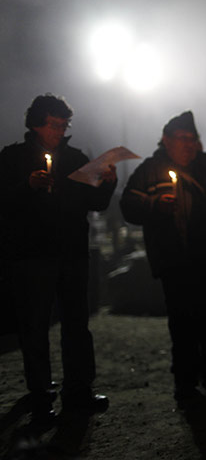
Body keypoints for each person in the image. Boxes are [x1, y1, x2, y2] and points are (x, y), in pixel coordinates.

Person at [120, 111, 206, 405]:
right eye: (182, 139)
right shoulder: (150, 168)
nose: (188, 144)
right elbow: (128, 203)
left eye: (192, 139)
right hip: (176, 259)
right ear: (166, 141)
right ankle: (186, 382)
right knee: (182, 323)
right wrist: (155, 204)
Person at [0, 94, 116, 423]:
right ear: (35, 123)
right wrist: (28, 185)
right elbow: (3, 201)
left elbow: (95, 203)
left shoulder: (77, 158)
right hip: (31, 256)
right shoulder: (13, 157)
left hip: (72, 254)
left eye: (64, 124)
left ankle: (78, 390)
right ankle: (41, 395)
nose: (59, 130)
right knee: (34, 327)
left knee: (77, 325)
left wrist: (107, 184)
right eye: (54, 124)